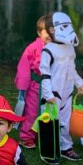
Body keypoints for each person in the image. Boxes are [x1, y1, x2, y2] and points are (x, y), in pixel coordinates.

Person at [40, 12, 83, 162]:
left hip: (67, 92)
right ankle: (49, 151)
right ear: (52, 30)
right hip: (53, 93)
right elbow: (44, 73)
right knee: (51, 122)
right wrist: (48, 94)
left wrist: (78, 83)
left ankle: (66, 147)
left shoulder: (70, 48)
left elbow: (71, 69)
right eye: (64, 26)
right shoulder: (48, 50)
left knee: (66, 120)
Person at [14, 15, 51, 149]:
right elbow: (24, 68)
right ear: (39, 32)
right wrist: (23, 86)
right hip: (36, 86)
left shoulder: (59, 48)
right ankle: (26, 137)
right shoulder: (33, 48)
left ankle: (46, 134)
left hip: (52, 86)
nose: (49, 34)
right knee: (32, 111)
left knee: (49, 111)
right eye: (46, 31)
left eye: (52, 30)